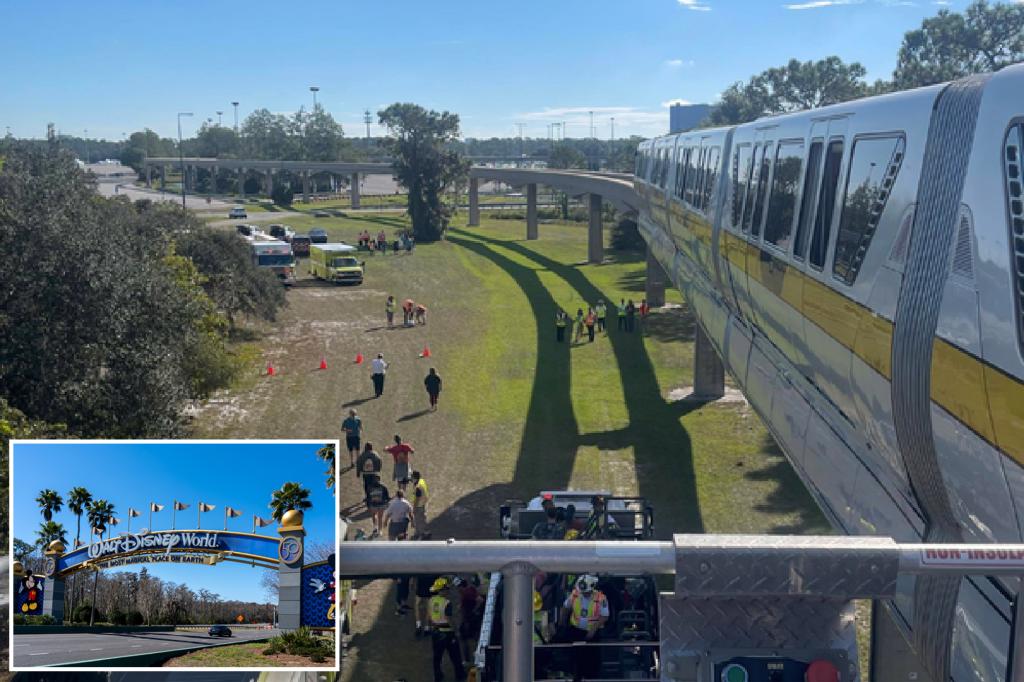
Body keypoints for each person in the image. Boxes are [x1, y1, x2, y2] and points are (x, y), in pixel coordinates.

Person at [563, 573, 609, 680]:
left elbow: (605, 616)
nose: (584, 593)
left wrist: (593, 629)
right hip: (576, 631)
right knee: (576, 659)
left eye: (586, 592)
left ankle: (591, 678)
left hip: (593, 634)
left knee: (592, 660)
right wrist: (562, 623)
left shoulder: (601, 598)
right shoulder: (575, 594)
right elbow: (565, 607)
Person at [428, 577, 466, 682]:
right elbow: (449, 619)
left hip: (436, 631)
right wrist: (456, 631)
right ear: (442, 590)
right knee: (455, 655)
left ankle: (438, 676)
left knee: (437, 657)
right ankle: (460, 675)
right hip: (447, 633)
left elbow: (429, 616)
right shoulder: (446, 603)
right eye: (446, 589)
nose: (448, 590)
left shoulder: (431, 600)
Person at [455, 576, 484, 662]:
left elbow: (480, 600)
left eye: (457, 587)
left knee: (464, 639)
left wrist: (474, 610)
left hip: (469, 619)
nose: (457, 590)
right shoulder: (470, 589)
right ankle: (476, 657)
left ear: (460, 586)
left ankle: (468, 659)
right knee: (474, 638)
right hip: (471, 618)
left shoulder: (467, 593)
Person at [415, 569, 441, 638]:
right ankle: (426, 628)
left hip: (421, 583)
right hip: (431, 584)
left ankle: (418, 625)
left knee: (417, 604)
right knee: (429, 607)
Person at [411, 471, 429, 539]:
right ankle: (419, 533)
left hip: (419, 506)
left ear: (415, 478)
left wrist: (414, 508)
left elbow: (417, 499)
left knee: (418, 520)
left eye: (412, 477)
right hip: (423, 503)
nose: (411, 479)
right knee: (422, 519)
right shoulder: (422, 481)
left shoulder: (418, 487)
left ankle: (421, 534)